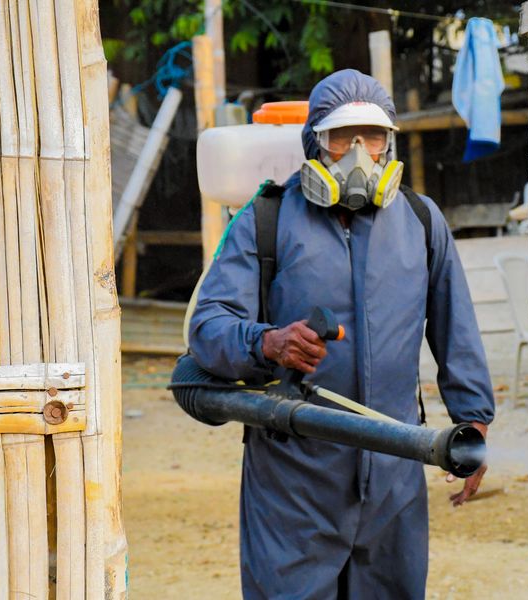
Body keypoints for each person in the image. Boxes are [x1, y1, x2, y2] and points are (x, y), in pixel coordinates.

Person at [188, 69, 496, 599]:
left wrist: (474, 419)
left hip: (395, 477)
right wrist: (267, 342)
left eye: (372, 136)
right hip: (293, 482)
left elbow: (456, 328)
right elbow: (207, 326)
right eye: (340, 137)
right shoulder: (265, 220)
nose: (358, 153)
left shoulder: (421, 221)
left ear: (389, 142)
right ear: (314, 142)